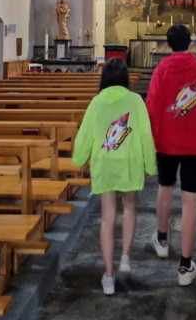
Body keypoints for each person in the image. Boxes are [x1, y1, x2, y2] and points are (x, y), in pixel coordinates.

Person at [73, 58, 157, 296]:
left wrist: (79, 159)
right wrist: (150, 165)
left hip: (105, 163)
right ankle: (126, 257)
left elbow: (85, 135)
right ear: (126, 78)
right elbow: (145, 135)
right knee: (130, 208)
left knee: (107, 218)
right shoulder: (135, 100)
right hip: (129, 162)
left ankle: (108, 276)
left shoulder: (97, 102)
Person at [145, 24, 196, 286]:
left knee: (165, 187)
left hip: (167, 140)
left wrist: (152, 138)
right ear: (189, 43)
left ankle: (162, 239)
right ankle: (185, 265)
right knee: (190, 198)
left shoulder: (162, 69)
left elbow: (152, 106)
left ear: (168, 44)